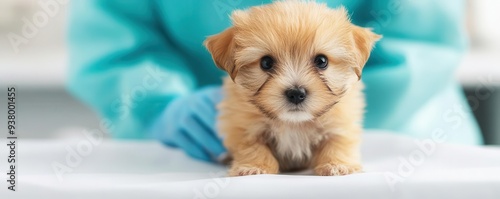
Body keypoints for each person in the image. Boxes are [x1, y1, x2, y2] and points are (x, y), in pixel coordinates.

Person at [67, 0, 482, 162]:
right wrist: (157, 103)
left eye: (319, 61)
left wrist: (336, 120)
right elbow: (114, 32)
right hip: (202, 155)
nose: (296, 83)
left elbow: (421, 35)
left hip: (408, 143)